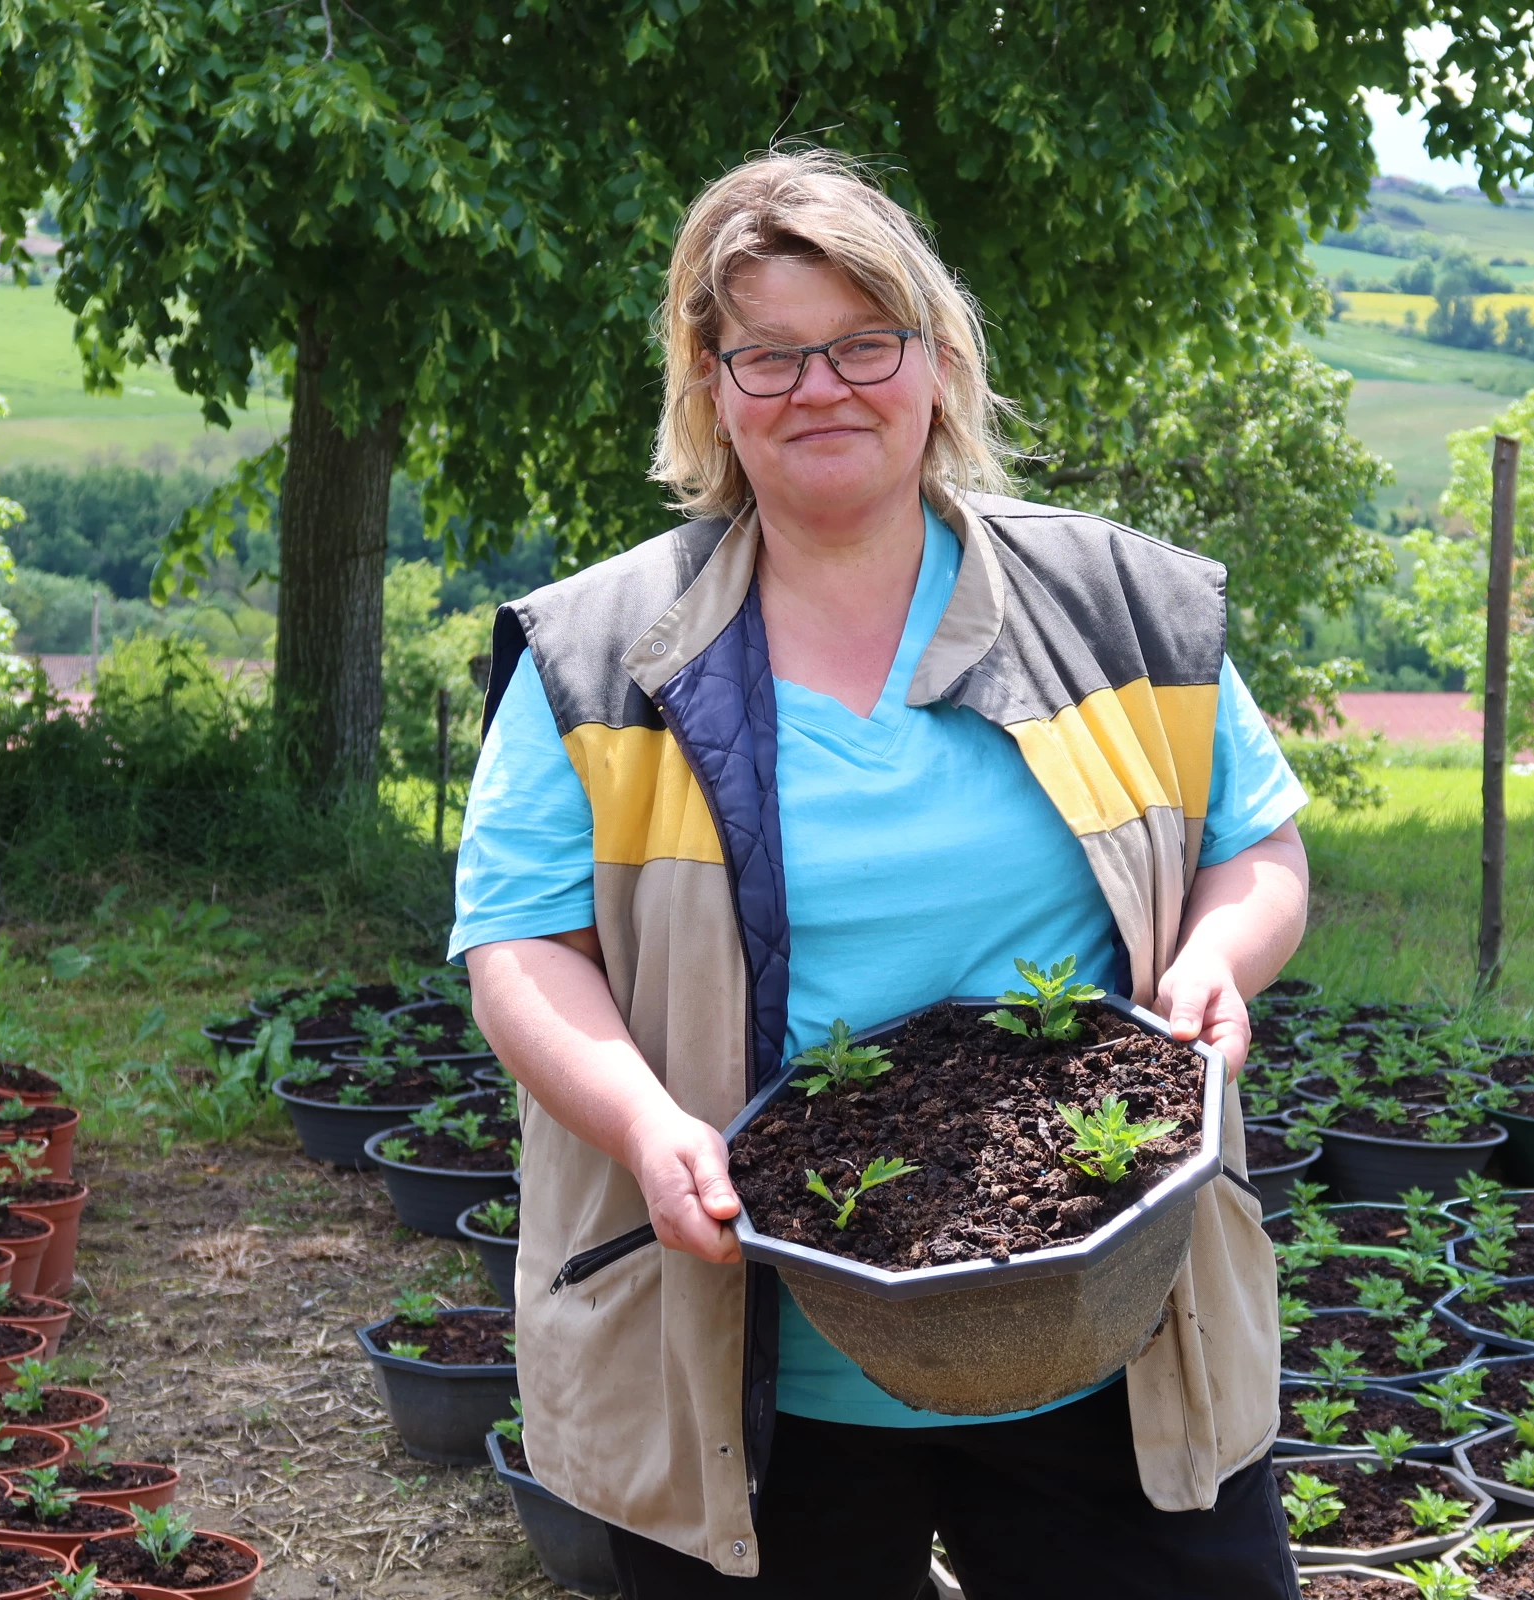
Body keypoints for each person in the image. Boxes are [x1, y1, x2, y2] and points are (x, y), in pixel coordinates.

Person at [453, 148, 1310, 1599]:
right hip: (752, 1365)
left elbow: (1256, 851)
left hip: (1110, 1326)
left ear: (935, 358)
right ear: (710, 383)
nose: (822, 388)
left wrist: (1221, 961)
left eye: (863, 342)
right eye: (770, 355)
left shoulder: (1119, 608)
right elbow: (518, 951)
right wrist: (649, 1126)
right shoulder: (600, 657)